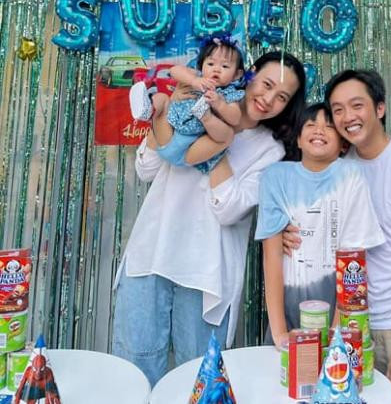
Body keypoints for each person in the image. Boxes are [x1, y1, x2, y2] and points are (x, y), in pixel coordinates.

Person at [112, 51, 306, 387]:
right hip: (151, 254)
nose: (268, 99)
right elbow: (145, 169)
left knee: (198, 378)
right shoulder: (194, 100)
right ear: (248, 74)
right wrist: (169, 115)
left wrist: (219, 139)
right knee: (134, 370)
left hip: (206, 274)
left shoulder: (270, 150)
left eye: (282, 97)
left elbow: (228, 210)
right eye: (267, 85)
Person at [285, 70, 391, 404]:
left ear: (380, 108)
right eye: (338, 110)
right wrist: (289, 232)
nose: (347, 117)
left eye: (357, 105)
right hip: (353, 327)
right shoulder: (339, 168)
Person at [255, 103, 384, 348]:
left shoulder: (351, 175)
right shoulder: (275, 176)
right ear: (298, 139)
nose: (319, 130)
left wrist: (337, 332)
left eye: (329, 126)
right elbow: (271, 255)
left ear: (343, 143)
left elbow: (353, 260)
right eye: (310, 124)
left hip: (337, 305)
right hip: (288, 304)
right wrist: (280, 333)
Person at [129, 34, 246, 171]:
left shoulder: (229, 93)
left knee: (227, 135)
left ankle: (205, 116)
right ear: (201, 65)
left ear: (237, 74)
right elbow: (174, 71)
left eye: (225, 66)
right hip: (168, 132)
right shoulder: (198, 76)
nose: (216, 69)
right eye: (210, 64)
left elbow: (236, 118)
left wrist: (220, 104)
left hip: (191, 149)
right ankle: (148, 109)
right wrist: (193, 81)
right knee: (162, 99)